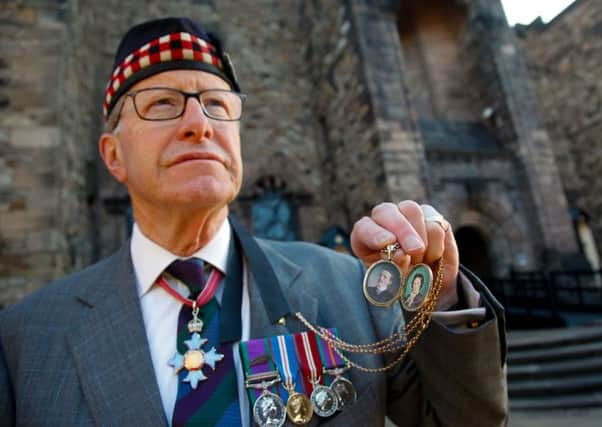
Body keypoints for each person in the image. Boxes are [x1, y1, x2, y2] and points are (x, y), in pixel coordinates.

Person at [0, 17, 507, 426]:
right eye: (162, 105)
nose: (199, 124)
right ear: (113, 156)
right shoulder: (25, 339)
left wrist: (439, 296)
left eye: (217, 105)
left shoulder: (348, 289)